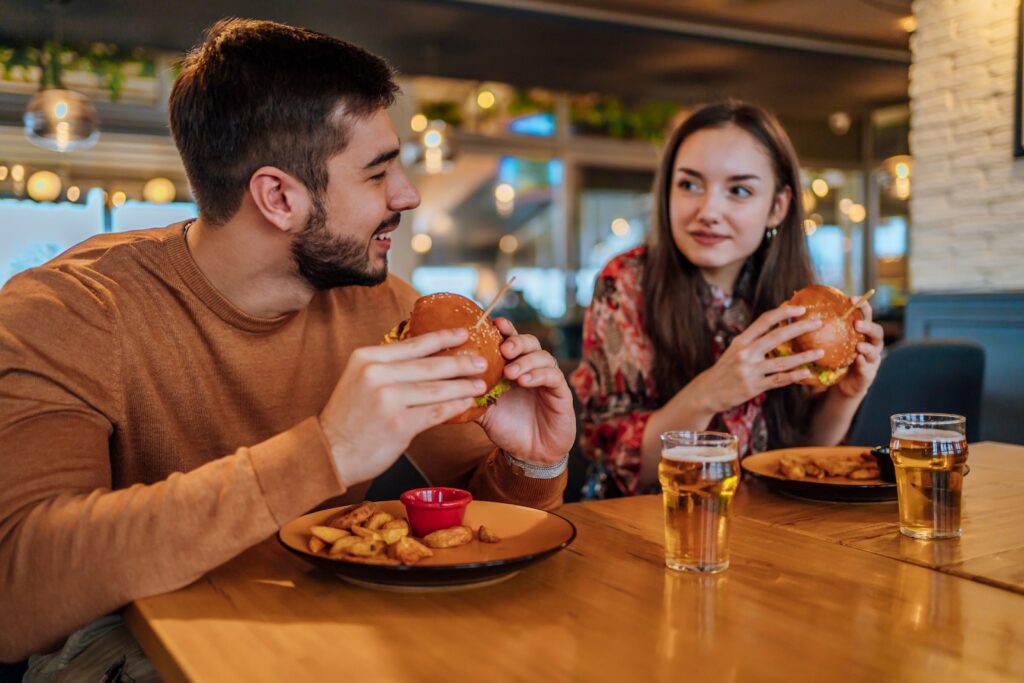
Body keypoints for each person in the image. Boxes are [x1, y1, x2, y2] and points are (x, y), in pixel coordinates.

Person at [0, 18, 575, 673]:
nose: (408, 195)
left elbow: (466, 530)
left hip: (336, 635)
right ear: (278, 196)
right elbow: (16, 588)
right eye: (378, 173)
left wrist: (530, 462)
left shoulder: (382, 303)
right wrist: (325, 452)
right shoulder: (70, 310)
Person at [570, 101, 883, 498]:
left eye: (738, 190)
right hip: (649, 525)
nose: (709, 210)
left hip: (769, 525)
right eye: (689, 185)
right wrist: (712, 391)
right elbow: (625, 465)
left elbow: (799, 457)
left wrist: (845, 394)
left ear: (777, 207)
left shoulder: (794, 296)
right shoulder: (626, 283)